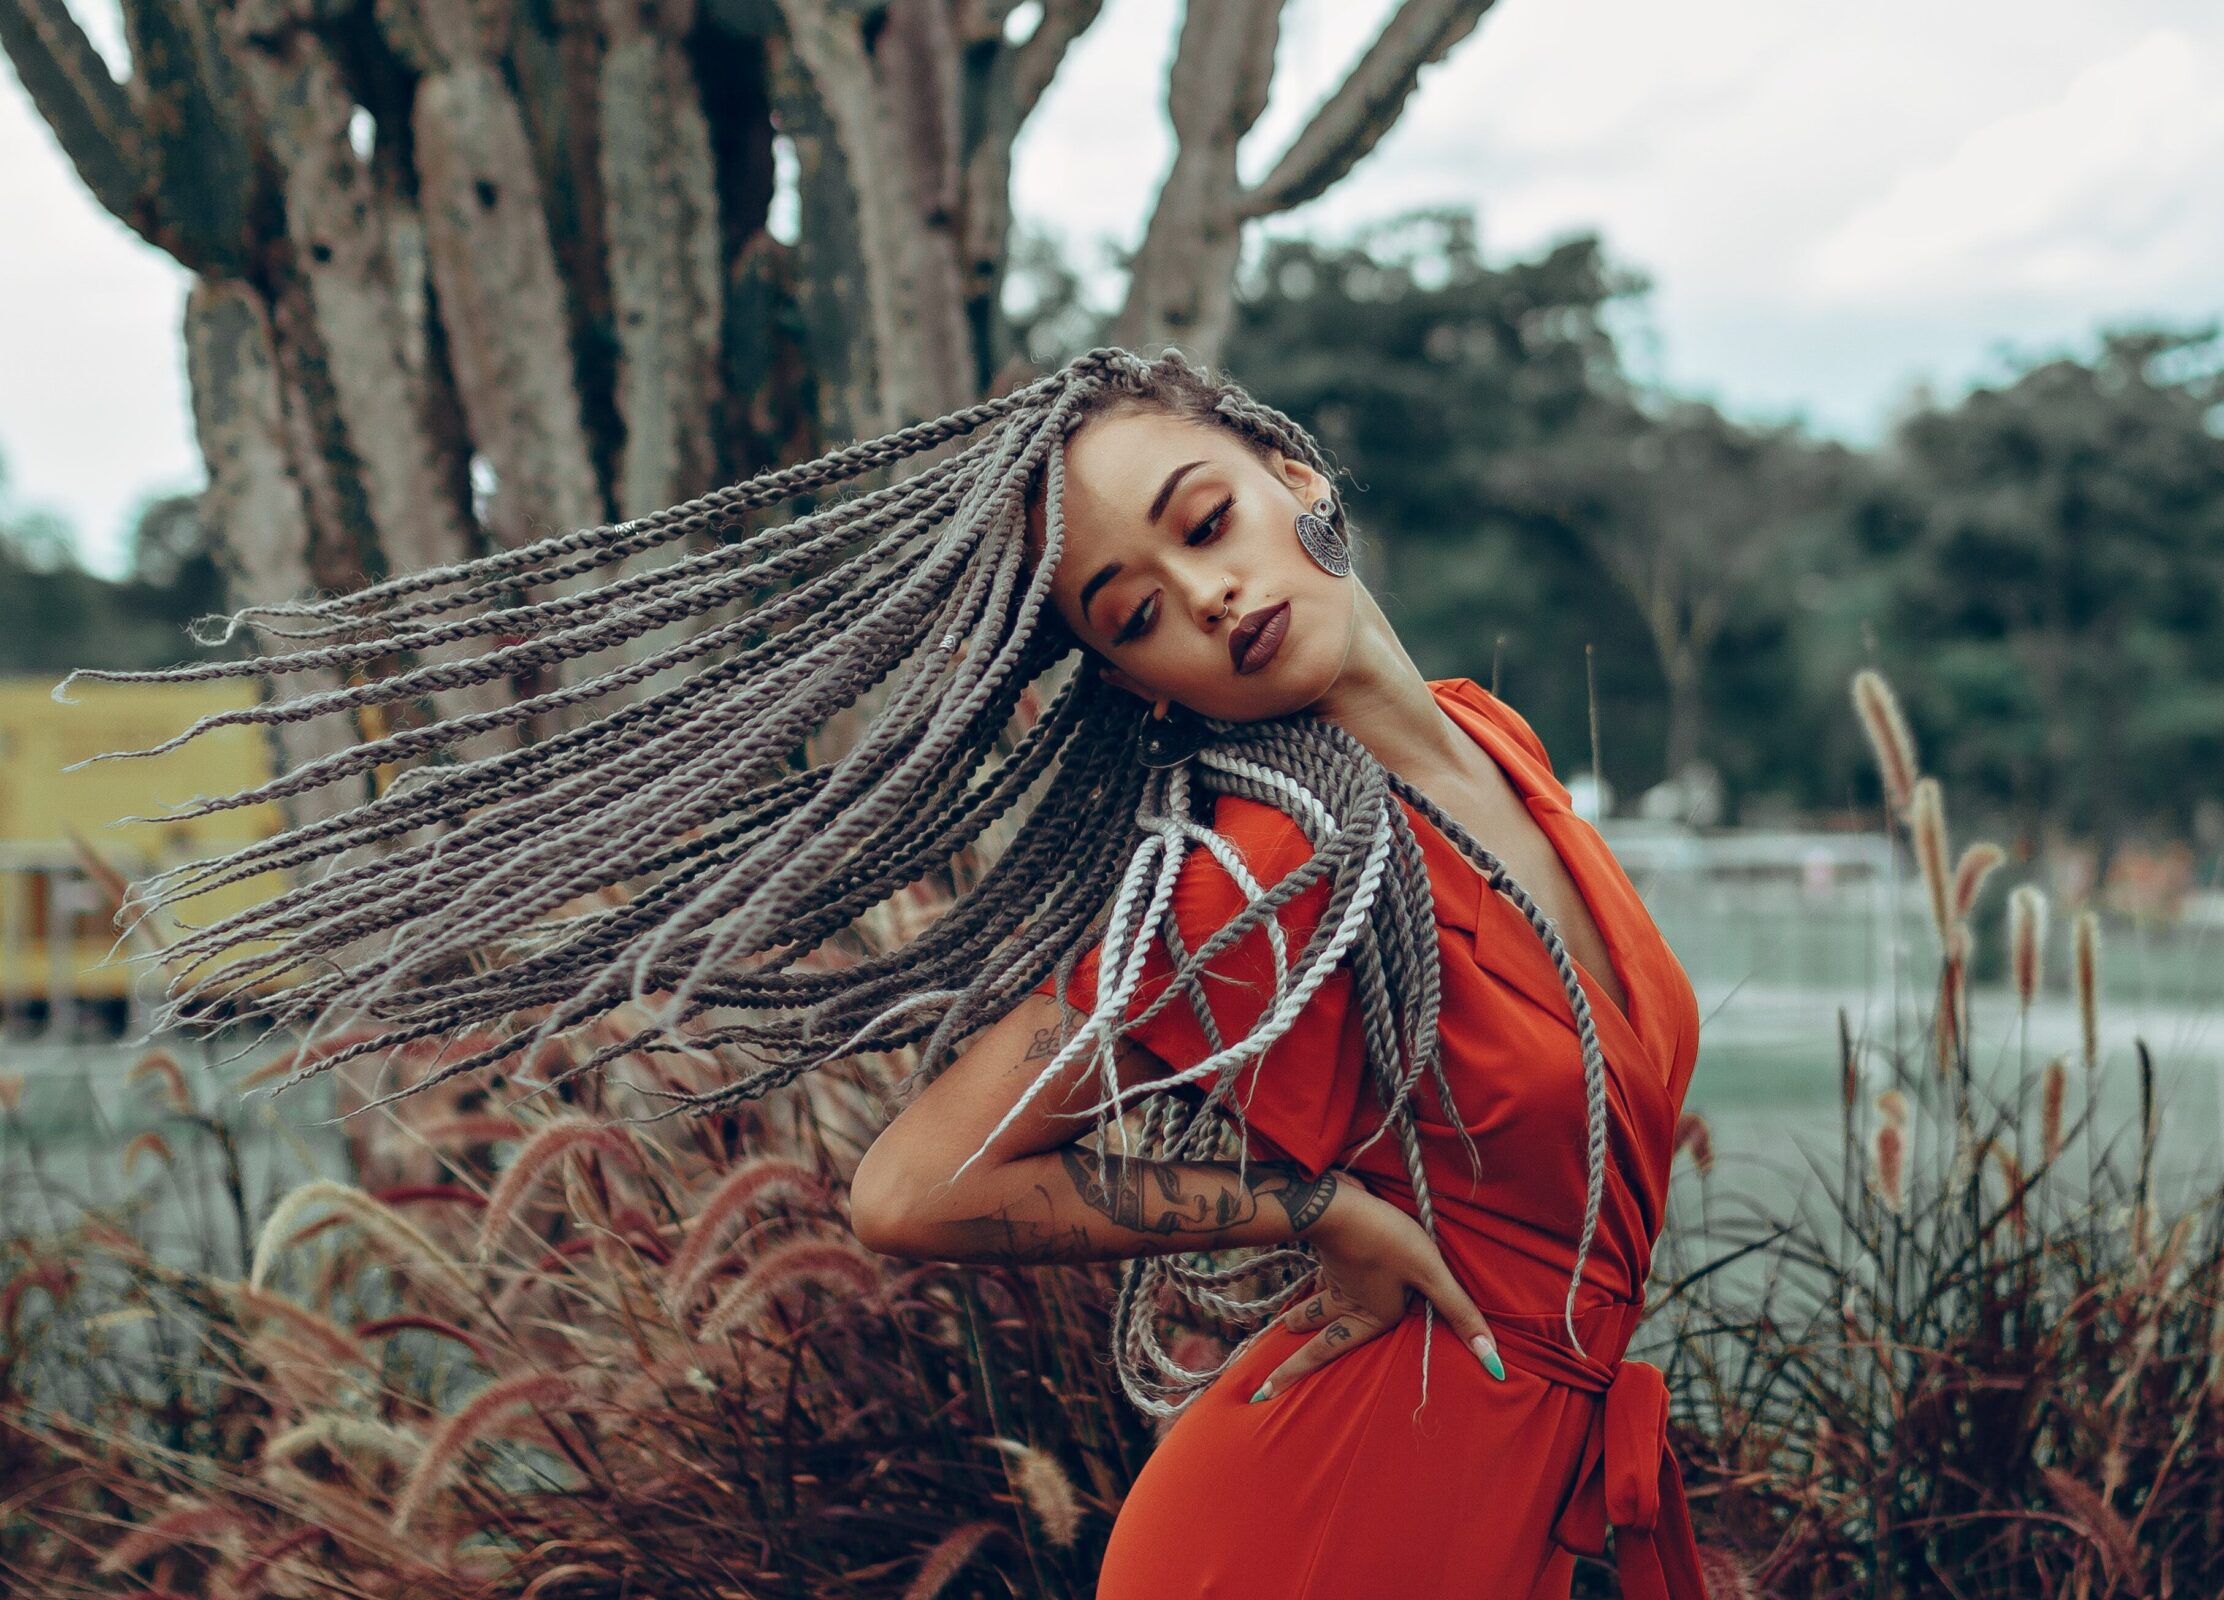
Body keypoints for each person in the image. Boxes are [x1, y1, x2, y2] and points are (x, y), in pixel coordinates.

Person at [57, 347, 1728, 1596]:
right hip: (1329, 1521)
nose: (1208, 597)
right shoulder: (1264, 872)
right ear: (1132, 687)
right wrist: (1319, 1217)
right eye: (1132, 612)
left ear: (1288, 471)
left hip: (1500, 1492)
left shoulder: (1496, 755)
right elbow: (915, 1185)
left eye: (1206, 520)